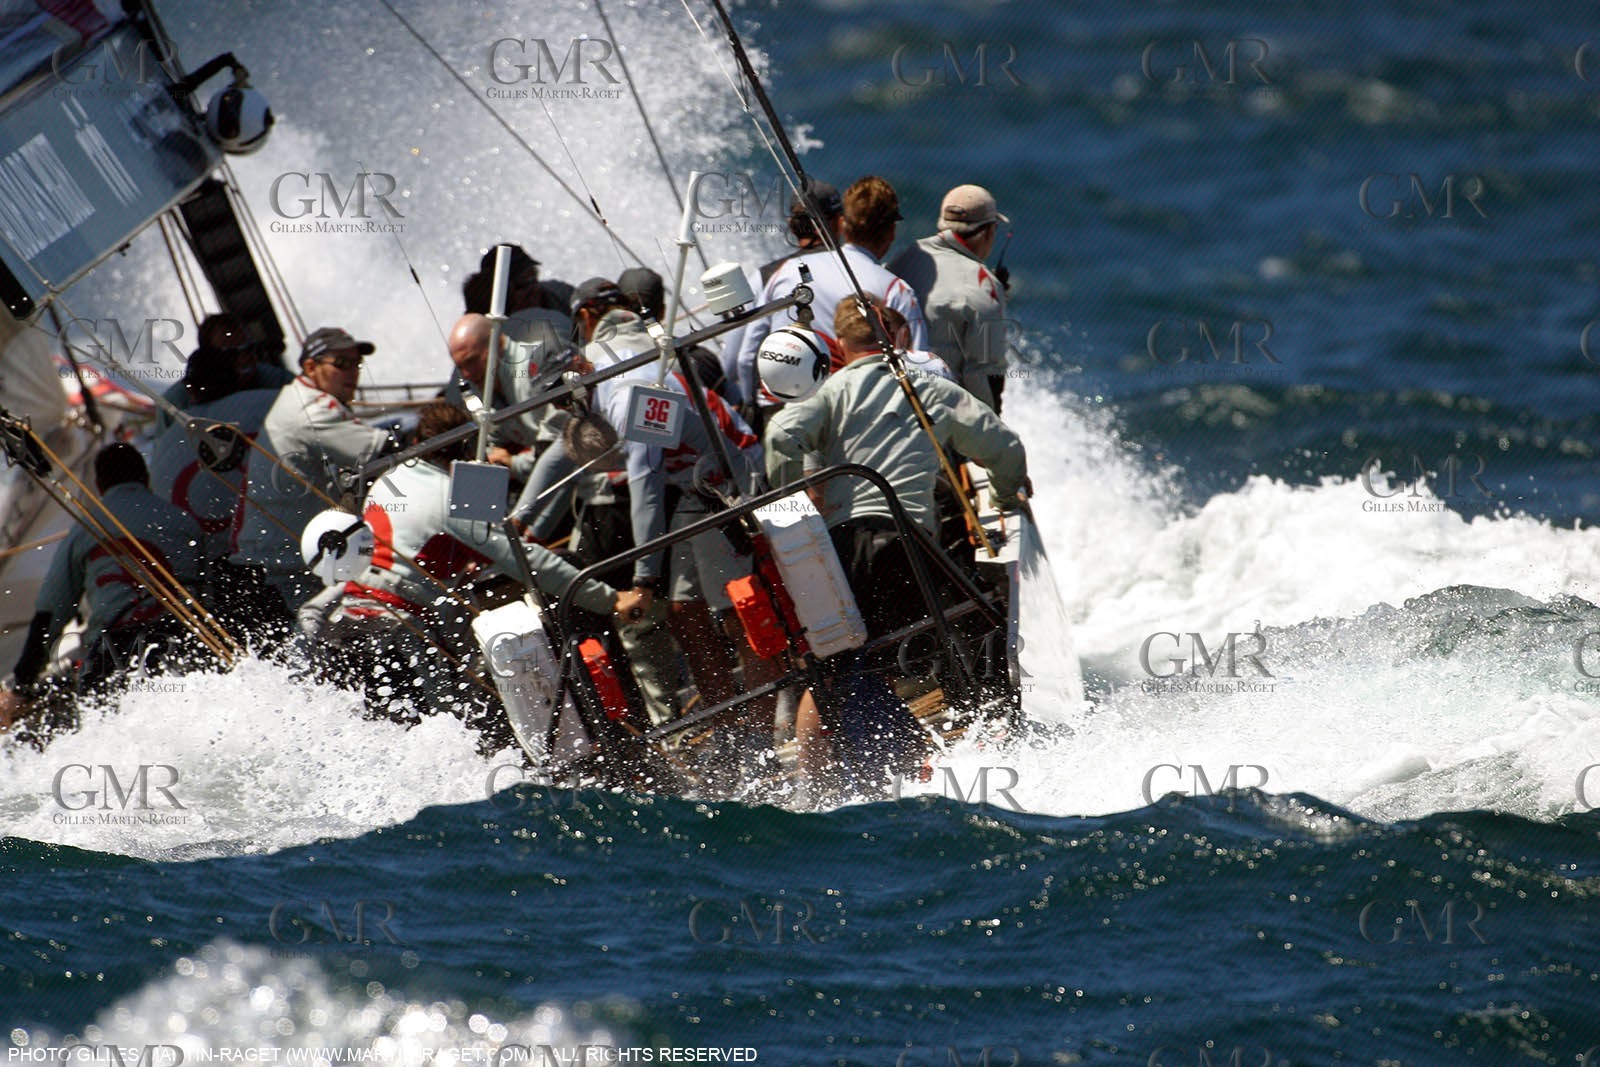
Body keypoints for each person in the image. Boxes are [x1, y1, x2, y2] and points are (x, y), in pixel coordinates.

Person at [764, 295, 1029, 792]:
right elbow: (1005, 446)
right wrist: (1006, 491)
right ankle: (988, 744)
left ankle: (813, 785)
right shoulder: (929, 386)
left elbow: (781, 435)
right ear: (900, 337)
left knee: (834, 664)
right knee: (975, 629)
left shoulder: (830, 391)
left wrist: (791, 504)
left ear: (840, 346)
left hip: (840, 550)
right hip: (906, 544)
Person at [314, 402, 644, 740]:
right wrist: (609, 599)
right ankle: (619, 738)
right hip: (401, 632)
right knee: (460, 724)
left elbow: (425, 542)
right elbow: (527, 561)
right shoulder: (453, 495)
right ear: (469, 450)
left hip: (354, 616)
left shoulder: (393, 476)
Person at [578, 278, 784, 768]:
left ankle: (760, 732)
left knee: (739, 611)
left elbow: (646, 479)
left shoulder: (635, 394)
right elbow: (563, 454)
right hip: (694, 491)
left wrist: (643, 578)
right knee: (686, 615)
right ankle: (729, 727)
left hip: (729, 480)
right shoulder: (607, 379)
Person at [0, 445, 204, 731]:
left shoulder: (85, 529)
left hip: (113, 655)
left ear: (98, 484)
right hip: (180, 644)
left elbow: (51, 612)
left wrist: (21, 685)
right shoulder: (183, 522)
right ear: (146, 477)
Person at [229, 327, 396, 623]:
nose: (353, 372)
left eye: (356, 363)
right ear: (310, 367)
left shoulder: (296, 398)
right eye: (341, 364)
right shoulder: (314, 409)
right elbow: (390, 453)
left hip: (263, 570)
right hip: (278, 577)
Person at [731, 175, 928, 410]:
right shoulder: (897, 290)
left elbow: (745, 357)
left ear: (844, 224)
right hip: (849, 416)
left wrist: (750, 407)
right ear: (892, 231)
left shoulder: (786, 271)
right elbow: (920, 371)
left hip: (778, 409)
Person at [887, 183, 1011, 412]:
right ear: (987, 231)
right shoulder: (984, 286)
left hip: (889, 401)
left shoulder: (904, 259)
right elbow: (984, 374)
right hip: (940, 415)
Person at [153, 313, 293, 432]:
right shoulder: (173, 403)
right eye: (232, 355)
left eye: (248, 349)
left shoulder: (277, 380)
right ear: (208, 356)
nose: (244, 360)